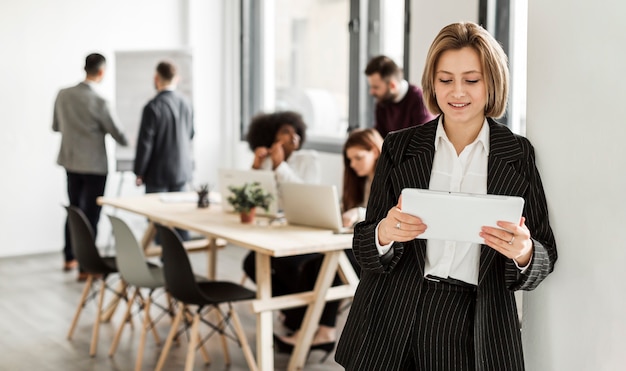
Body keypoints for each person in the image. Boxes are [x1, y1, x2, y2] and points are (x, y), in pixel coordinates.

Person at [336, 22, 558, 371]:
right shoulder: (399, 146)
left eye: (471, 80)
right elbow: (362, 244)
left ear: (492, 83)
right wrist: (384, 234)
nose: (457, 92)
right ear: (432, 84)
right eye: (445, 80)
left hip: (474, 321)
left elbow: (546, 253)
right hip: (391, 313)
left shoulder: (517, 154)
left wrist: (525, 251)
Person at [273, 128, 383, 354]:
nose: (353, 165)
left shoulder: (390, 178)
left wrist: (358, 214)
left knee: (330, 265)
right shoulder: (359, 181)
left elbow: (387, 215)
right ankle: (301, 325)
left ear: (375, 150)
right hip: (357, 242)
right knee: (313, 264)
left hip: (380, 251)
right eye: (350, 160)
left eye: (358, 158)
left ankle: (324, 332)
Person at [52, 53, 128, 280]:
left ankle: (69, 257)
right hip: (94, 166)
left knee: (74, 210)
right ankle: (86, 267)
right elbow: (119, 135)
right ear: (102, 72)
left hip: (70, 161)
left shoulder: (63, 95)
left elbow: (56, 126)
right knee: (90, 215)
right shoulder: (100, 102)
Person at [241, 111, 321, 310]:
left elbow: (305, 196)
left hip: (302, 231)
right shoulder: (265, 161)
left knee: (285, 264)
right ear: (272, 136)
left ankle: (301, 311)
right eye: (285, 131)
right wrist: (256, 166)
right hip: (274, 230)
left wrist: (280, 165)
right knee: (251, 263)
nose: (293, 136)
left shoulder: (309, 159)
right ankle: (290, 309)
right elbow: (250, 197)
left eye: (296, 132)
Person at [134, 61, 194, 241]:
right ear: (177, 79)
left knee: (158, 222)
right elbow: (191, 134)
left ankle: (166, 261)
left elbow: (145, 144)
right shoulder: (186, 103)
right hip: (182, 171)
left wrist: (139, 172)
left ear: (156, 78)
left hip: (157, 174)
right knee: (181, 220)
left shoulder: (152, 106)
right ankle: (181, 262)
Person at [365, 55, 435, 138]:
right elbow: (379, 138)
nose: (371, 92)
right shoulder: (383, 101)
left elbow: (423, 140)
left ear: (392, 85)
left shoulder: (419, 100)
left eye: (376, 87)